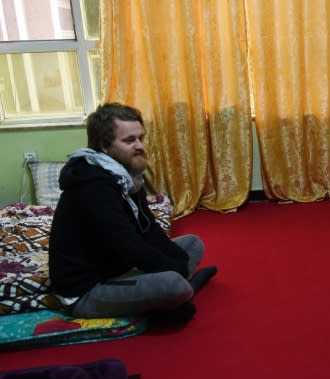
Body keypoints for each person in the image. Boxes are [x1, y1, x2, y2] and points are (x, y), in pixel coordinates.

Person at [49, 103, 217, 322]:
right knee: (174, 285)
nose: (139, 146)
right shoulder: (93, 186)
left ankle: (173, 292)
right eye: (129, 141)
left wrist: (177, 263)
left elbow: (148, 229)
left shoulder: (125, 175)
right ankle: (181, 292)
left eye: (141, 138)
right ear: (104, 146)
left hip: (117, 266)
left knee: (193, 244)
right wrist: (175, 271)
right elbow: (128, 245)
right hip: (89, 289)